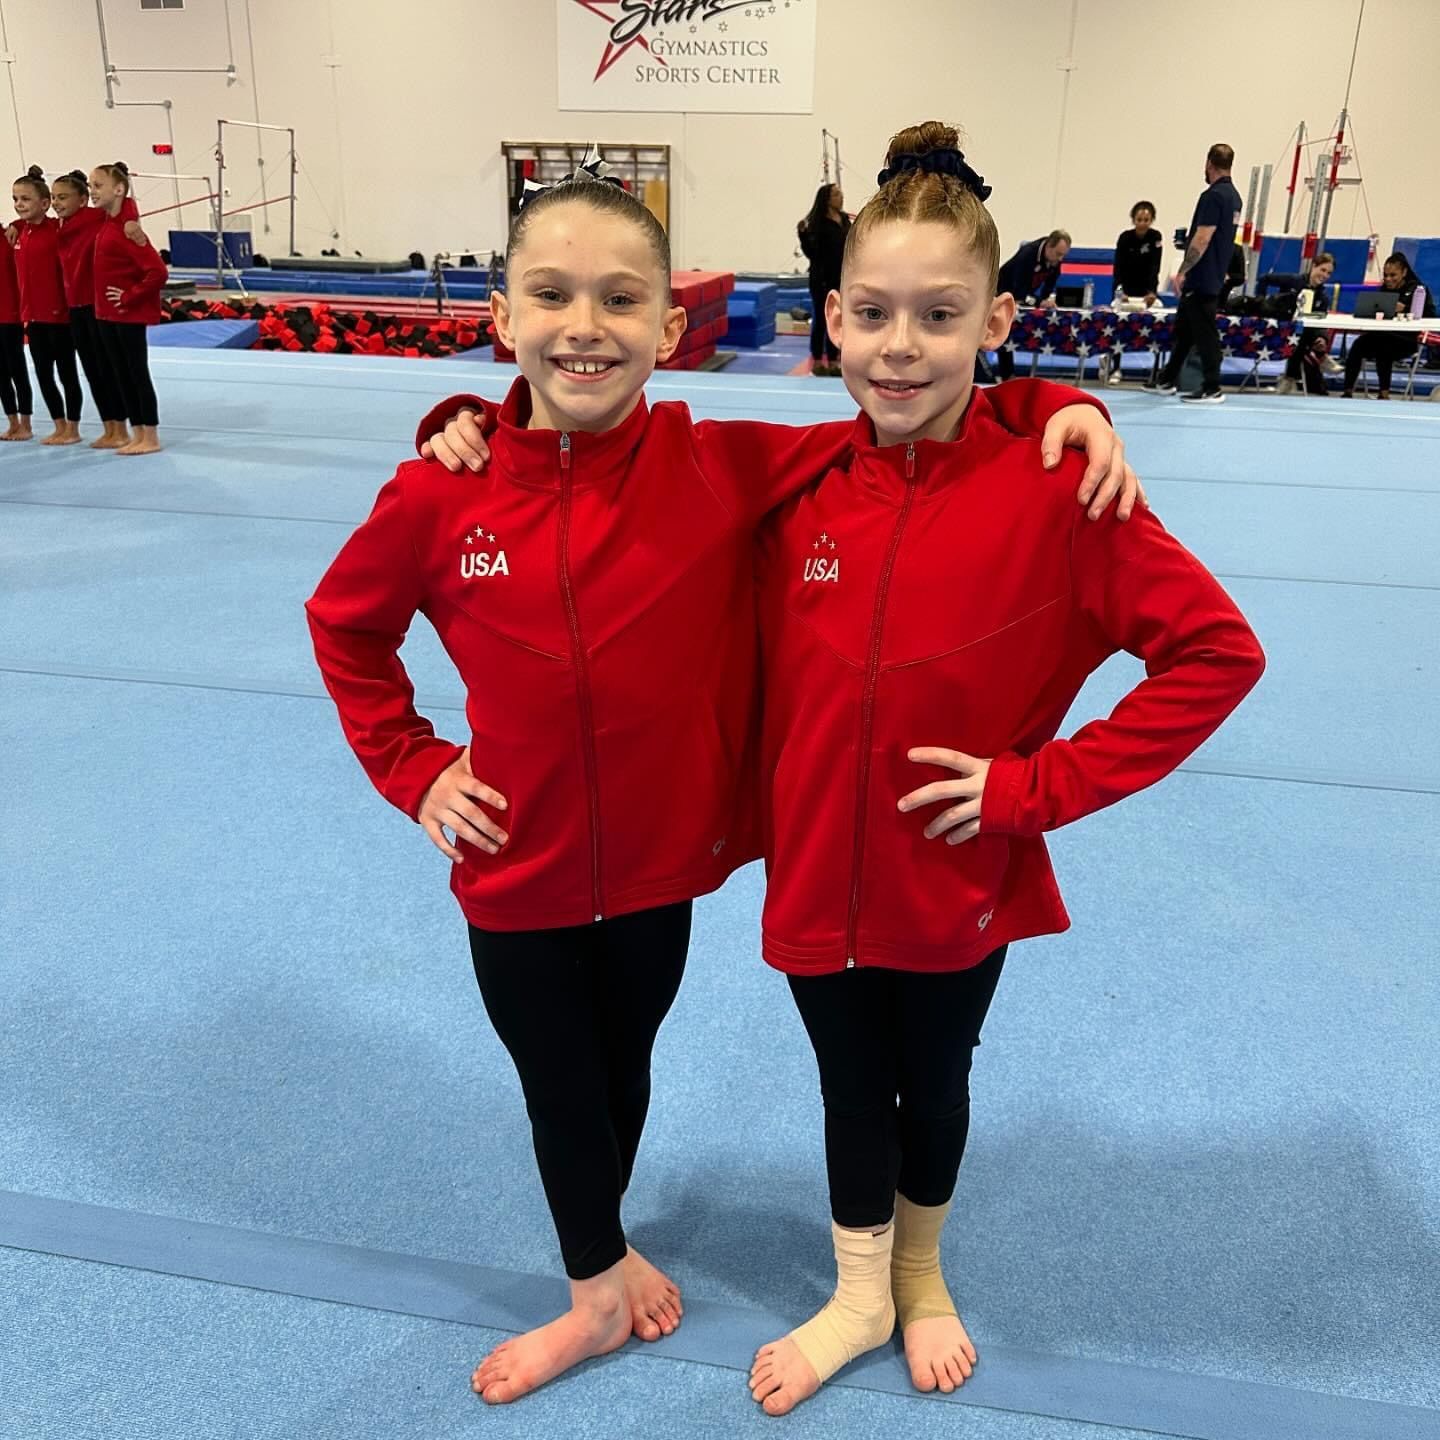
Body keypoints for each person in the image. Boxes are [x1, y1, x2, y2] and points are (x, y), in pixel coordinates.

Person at [312, 158, 1141, 1408]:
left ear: (670, 323)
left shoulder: (724, 462)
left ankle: (615, 1250)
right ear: (501, 315)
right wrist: (414, 769)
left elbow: (906, 416)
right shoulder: (447, 486)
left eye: (618, 300)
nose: (583, 327)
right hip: (516, 866)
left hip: (659, 871)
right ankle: (594, 1285)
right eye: (550, 297)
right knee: (559, 1085)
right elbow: (347, 627)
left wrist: (1052, 409)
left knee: (625, 1064)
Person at [743, 120, 1264, 1416]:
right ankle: (860, 1291)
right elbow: (612, 479)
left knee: (936, 1083)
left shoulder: (1057, 488)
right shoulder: (790, 478)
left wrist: (1038, 789)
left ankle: (919, 1277)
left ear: (996, 319)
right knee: (846, 1088)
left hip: (953, 876)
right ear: (832, 319)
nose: (901, 344)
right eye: (873, 313)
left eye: (939, 313)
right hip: (816, 871)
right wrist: (477, 424)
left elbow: (1214, 653)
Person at [1144, 143, 1242, 404]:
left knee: (1205, 334)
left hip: (1202, 276)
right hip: (1214, 273)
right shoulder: (1235, 198)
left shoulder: (1213, 196)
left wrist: (1183, 269)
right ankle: (1167, 379)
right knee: (1185, 331)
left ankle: (1212, 387)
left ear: (1209, 163)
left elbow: (1203, 237)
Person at [51, 169, 137, 450]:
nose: (56, 203)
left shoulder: (94, 218)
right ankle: (108, 426)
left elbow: (123, 205)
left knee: (106, 368)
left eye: (63, 197)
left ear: (83, 199)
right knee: (91, 370)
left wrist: (132, 220)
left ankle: (121, 427)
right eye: (53, 198)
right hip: (74, 306)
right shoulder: (60, 226)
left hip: (95, 304)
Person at [89, 163, 167, 454]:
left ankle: (151, 436)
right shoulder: (109, 222)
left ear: (118, 189)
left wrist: (129, 296)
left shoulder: (127, 229)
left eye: (98, 185)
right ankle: (137, 433)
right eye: (90, 185)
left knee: (136, 374)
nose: (92, 191)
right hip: (107, 314)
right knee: (121, 374)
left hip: (127, 314)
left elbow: (157, 272)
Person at [11, 166, 83, 445]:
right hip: (34, 317)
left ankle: (73, 428)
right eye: (15, 199)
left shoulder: (57, 230)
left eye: (25, 199)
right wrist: (17, 226)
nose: (19, 205)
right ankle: (59, 424)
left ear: (44, 203)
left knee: (67, 374)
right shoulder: (20, 233)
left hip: (60, 317)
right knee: (43, 375)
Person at [1342, 251, 1436, 399]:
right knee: (1358, 345)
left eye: (1393, 275)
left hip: (1406, 340)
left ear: (1404, 272)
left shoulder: (1418, 289)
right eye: (1386, 275)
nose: (1388, 279)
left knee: (1383, 349)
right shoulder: (1383, 289)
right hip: (1382, 335)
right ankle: (1347, 391)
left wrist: (1406, 308)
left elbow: (1430, 315)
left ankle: (1384, 394)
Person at [991, 227, 1071, 378]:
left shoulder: (1055, 259)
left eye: (1063, 256)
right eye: (1058, 254)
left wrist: (1046, 299)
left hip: (1024, 292)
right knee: (1005, 330)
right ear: (1049, 246)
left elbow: (1050, 283)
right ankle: (1006, 374)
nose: (1060, 259)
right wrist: (1039, 301)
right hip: (1002, 289)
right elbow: (1018, 290)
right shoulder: (1027, 254)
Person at [1264, 252, 1336, 394]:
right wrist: (1264, 302)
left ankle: (1290, 378)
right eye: (1322, 270)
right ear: (1313, 266)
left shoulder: (1323, 297)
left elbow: (1318, 322)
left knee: (1305, 334)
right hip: (1280, 329)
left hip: (1301, 335)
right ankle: (1321, 356)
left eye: (1329, 273)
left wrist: (1322, 338)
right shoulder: (1293, 280)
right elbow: (1264, 279)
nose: (1325, 275)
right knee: (1301, 334)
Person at [798, 181, 849, 376]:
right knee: (821, 319)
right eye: (837, 194)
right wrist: (803, 236)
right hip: (821, 279)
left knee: (839, 319)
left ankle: (835, 359)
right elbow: (812, 252)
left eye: (841, 194)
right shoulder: (818, 223)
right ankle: (818, 359)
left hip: (841, 278)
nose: (841, 197)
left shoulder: (844, 220)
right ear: (827, 199)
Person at [0, 216, 32, 440]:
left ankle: (26, 423)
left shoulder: (9, 238)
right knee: (1, 374)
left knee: (17, 369)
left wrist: (18, 225)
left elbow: (28, 223)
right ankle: (12, 421)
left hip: (10, 316)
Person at [1112, 201, 1162, 306]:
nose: (1142, 224)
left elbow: (1155, 266)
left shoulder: (1155, 237)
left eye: (1146, 220)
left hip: (1146, 290)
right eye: (1139, 220)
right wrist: (1120, 291)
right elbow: (1118, 267)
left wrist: (1152, 291)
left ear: (1152, 220)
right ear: (1133, 220)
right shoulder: (1125, 238)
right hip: (1126, 288)